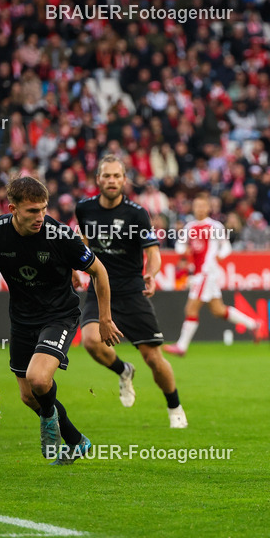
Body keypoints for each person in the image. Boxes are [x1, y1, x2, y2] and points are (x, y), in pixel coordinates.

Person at [0, 177, 122, 465]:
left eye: (44, 209)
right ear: (13, 209)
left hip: (59, 314)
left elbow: (100, 272)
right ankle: (76, 441)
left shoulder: (60, 235)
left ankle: (49, 419)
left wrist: (105, 318)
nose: (40, 217)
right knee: (28, 396)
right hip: (22, 319)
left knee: (38, 378)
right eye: (32, 211)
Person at [74, 155, 187, 428]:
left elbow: (153, 252)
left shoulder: (136, 213)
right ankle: (124, 370)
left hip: (132, 292)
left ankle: (175, 407)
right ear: (98, 180)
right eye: (106, 176)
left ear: (124, 180)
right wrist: (75, 267)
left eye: (117, 176)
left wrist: (152, 272)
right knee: (90, 341)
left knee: (153, 358)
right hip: (99, 291)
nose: (112, 180)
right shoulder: (84, 209)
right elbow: (82, 241)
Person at [162, 195, 259, 356]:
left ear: (208, 208)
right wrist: (182, 250)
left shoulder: (215, 226)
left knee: (191, 308)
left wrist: (219, 255)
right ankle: (254, 325)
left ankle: (182, 346)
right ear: (193, 208)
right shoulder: (190, 226)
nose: (200, 209)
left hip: (207, 272)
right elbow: (180, 244)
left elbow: (226, 246)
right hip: (201, 272)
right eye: (197, 206)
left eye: (203, 206)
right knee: (218, 310)